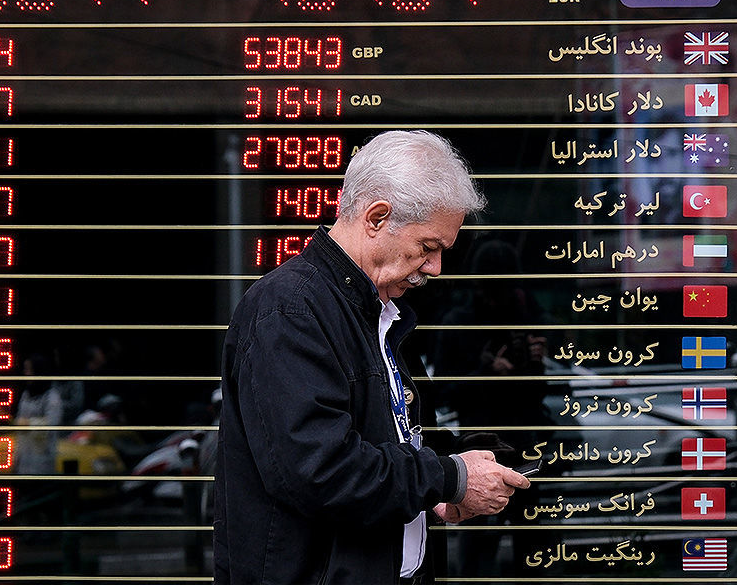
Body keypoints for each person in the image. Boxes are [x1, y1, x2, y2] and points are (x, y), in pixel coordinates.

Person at [213, 130, 530, 585]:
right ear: (377, 217)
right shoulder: (290, 310)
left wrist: (444, 483)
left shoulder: (377, 313)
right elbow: (320, 471)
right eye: (428, 247)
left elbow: (384, 443)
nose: (436, 268)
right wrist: (449, 477)